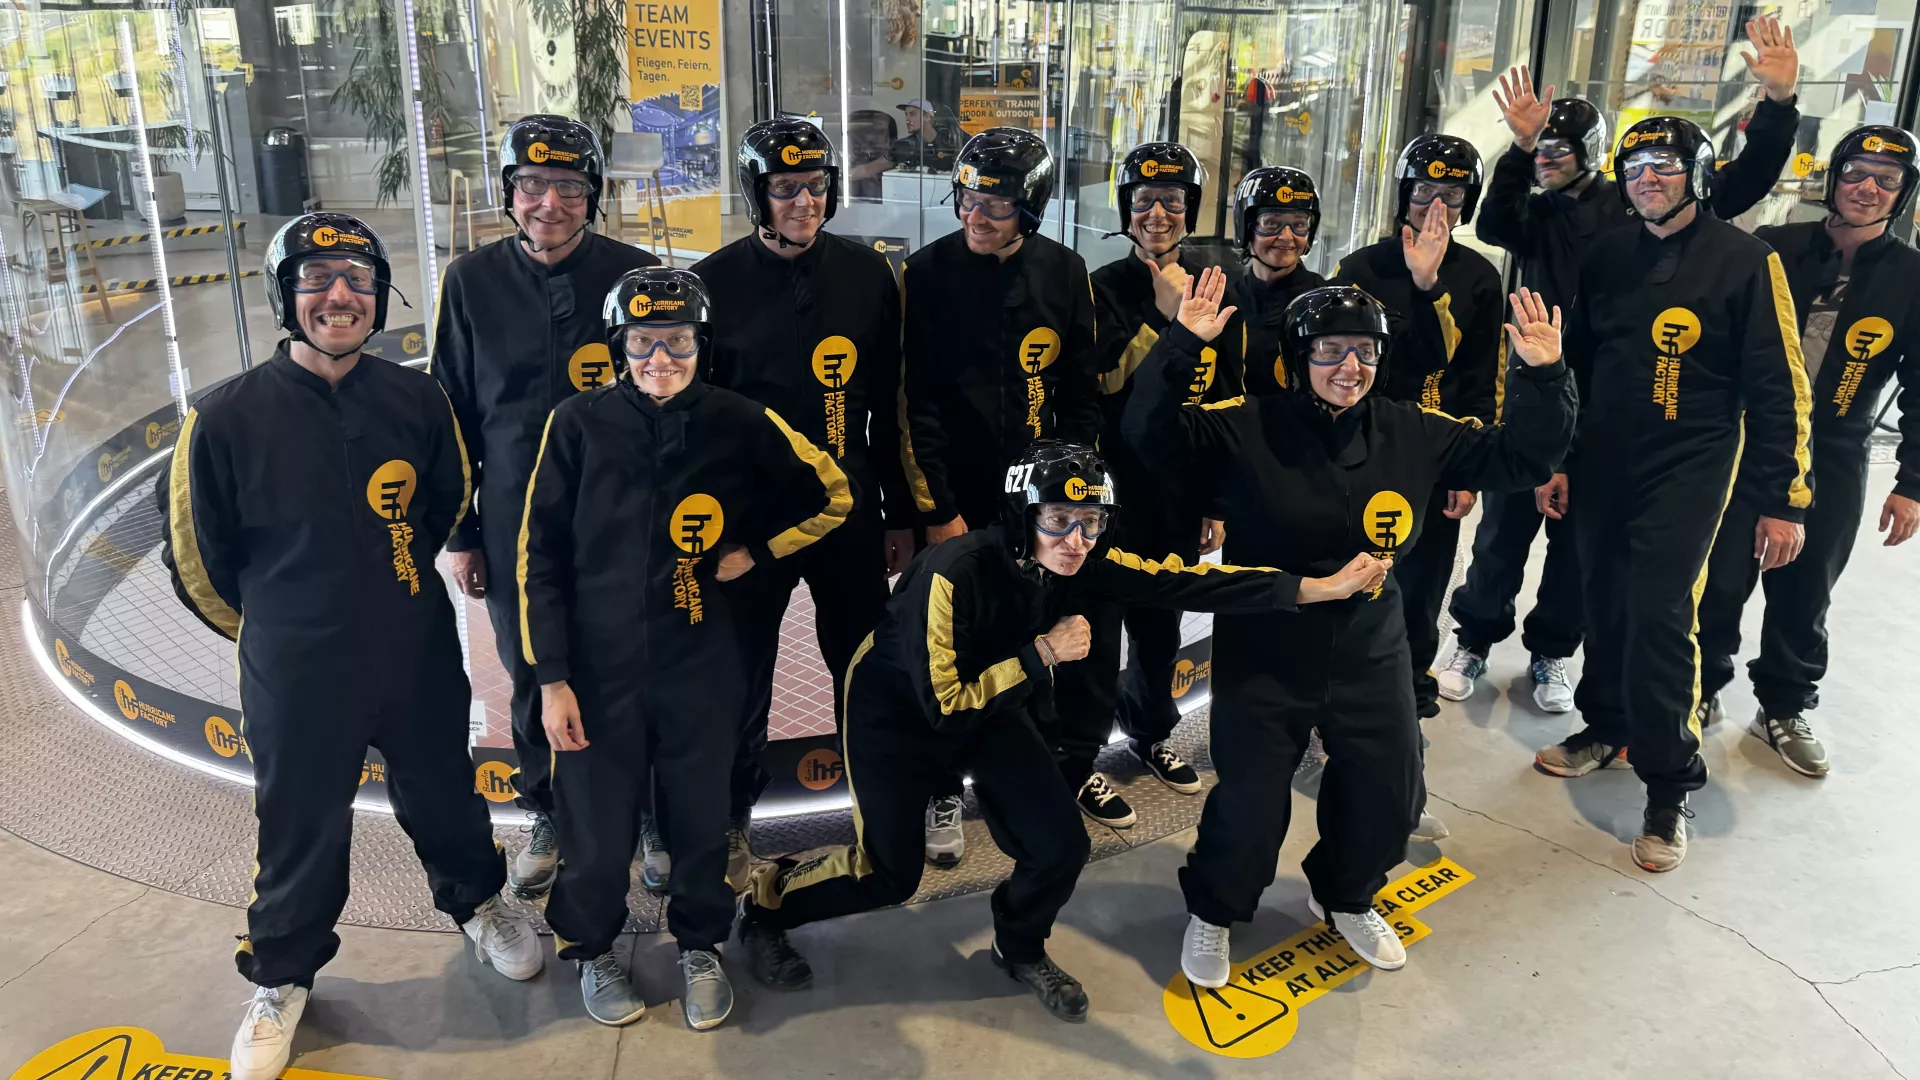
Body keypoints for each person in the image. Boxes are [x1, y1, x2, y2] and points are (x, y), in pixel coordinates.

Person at [733, 439, 1390, 1022]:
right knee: (890, 874)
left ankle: (1018, 946)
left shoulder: (1086, 562)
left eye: (1091, 523)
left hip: (995, 701)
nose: (1076, 540)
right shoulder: (951, 573)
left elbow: (1185, 581)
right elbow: (944, 706)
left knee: (1060, 845)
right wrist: (1041, 655)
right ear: (1025, 517)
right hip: (898, 716)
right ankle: (765, 904)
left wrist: (1314, 589)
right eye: (1059, 521)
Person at [163, 214, 542, 1080]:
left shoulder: (415, 402)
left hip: (412, 645)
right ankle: (283, 974)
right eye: (319, 279)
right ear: (284, 295)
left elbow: (446, 499)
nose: (341, 297)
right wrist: (276, 626)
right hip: (297, 665)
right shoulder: (223, 421)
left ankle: (481, 903)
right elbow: (197, 558)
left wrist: (395, 587)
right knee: (299, 820)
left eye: (360, 281)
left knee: (444, 791)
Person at [1123, 273, 1574, 986]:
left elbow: (1520, 458)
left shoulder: (1411, 431)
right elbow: (1148, 436)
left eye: (1363, 352)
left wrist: (1545, 376)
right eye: (1330, 351)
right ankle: (1214, 909)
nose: (1348, 368)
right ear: (1301, 358)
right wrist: (1182, 344)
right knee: (1251, 798)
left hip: (1370, 645)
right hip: (1268, 643)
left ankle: (1346, 893)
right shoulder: (1247, 425)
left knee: (1389, 789)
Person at [517, 267, 852, 1029]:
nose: (660, 359)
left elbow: (833, 495)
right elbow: (537, 558)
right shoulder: (576, 424)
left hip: (702, 658)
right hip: (597, 672)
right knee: (596, 828)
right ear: (619, 345)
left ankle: (700, 943)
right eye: (642, 343)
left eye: (677, 342)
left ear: (703, 344)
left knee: (702, 817)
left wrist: (758, 552)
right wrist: (553, 678)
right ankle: (592, 949)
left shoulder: (740, 421)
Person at [1441, 19, 1803, 707]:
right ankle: (1475, 636)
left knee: (1579, 545)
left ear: (1595, 152)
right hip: (1535, 380)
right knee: (1504, 525)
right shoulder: (1537, 210)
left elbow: (1738, 182)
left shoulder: (1637, 205)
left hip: (1612, 394)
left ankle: (1552, 652)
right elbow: (1493, 226)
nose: (1549, 158)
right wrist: (1518, 149)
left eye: (1560, 148)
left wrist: (1780, 107)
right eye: (1542, 148)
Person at [1534, 116, 1812, 873]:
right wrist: (1557, 456)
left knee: (1660, 614)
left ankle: (1668, 783)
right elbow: (1577, 366)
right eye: (1633, 167)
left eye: (1664, 164)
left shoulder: (1746, 261)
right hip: (1602, 459)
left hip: (1690, 464)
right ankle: (1605, 726)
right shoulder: (1608, 254)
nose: (1646, 179)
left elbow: (1781, 387)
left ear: (1699, 171)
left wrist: (1787, 496)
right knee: (1603, 597)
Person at [430, 114, 660, 898]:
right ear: (509, 193)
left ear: (592, 195)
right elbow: (453, 411)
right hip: (510, 513)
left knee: (633, 660)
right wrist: (463, 532)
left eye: (569, 187)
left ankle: (651, 811)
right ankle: (548, 809)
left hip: (618, 513)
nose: (549, 204)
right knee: (531, 666)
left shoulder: (637, 273)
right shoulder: (468, 282)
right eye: (532, 186)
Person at [693, 118, 914, 889]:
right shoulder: (711, 284)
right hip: (749, 519)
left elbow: (887, 406)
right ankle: (728, 827)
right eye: (786, 189)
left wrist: (898, 512)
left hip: (847, 507)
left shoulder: (867, 273)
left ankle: (882, 816)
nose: (804, 202)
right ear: (757, 193)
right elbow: (697, 421)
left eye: (817, 186)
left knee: (863, 666)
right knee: (739, 675)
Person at [899, 126, 1100, 862]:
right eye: (967, 199)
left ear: (1034, 209)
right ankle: (941, 786)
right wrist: (937, 509)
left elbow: (1080, 393)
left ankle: (1029, 773)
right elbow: (913, 404)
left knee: (1031, 636)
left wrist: (1071, 502)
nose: (975, 217)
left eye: (997, 206)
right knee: (949, 648)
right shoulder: (924, 273)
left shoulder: (1067, 271)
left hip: (1040, 504)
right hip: (958, 499)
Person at [1695, 124, 1920, 777]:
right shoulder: (1772, 247)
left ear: (1903, 194)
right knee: (1718, 577)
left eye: (1886, 180)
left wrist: (1911, 481)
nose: (1867, 189)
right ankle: (1701, 689)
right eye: (1855, 174)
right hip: (1749, 440)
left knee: (1806, 587)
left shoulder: (1910, 277)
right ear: (1833, 179)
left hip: (1837, 450)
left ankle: (1783, 707)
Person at [1080, 140, 1245, 818]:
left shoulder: (1217, 280)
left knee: (1161, 626)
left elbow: (1225, 397)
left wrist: (1216, 498)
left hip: (1179, 492)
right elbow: (1108, 380)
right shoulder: (1103, 287)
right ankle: (1080, 754)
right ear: (1125, 212)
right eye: (1144, 203)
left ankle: (1149, 733)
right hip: (1112, 493)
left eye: (1172, 204)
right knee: (1096, 629)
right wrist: (1167, 320)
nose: (1157, 215)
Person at [1330, 134, 1504, 736]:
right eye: (1425, 190)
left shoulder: (1479, 278)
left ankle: (1405, 702)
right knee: (1351, 576)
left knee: (1421, 585)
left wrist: (1469, 471)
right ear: (1404, 193)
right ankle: (1338, 702)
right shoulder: (1360, 268)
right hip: (1357, 448)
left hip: (1437, 455)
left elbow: (1480, 379)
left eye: (1452, 194)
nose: (1437, 206)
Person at [1232, 165, 1328, 396]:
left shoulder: (1326, 302)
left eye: (1299, 225)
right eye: (1271, 223)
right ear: (1247, 228)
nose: (1287, 237)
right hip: (1230, 428)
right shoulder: (1223, 299)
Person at [850, 99, 962, 179]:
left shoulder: (951, 140)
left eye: (912, 114)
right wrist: (844, 177)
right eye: (906, 115)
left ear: (927, 117)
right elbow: (871, 168)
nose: (907, 119)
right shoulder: (903, 146)